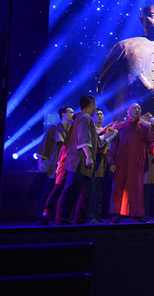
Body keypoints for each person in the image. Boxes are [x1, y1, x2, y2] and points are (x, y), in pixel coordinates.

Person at [109, 103, 154, 223]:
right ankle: (117, 214)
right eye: (134, 108)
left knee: (136, 188)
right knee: (118, 187)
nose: (137, 110)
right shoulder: (120, 126)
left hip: (137, 162)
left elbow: (151, 141)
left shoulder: (145, 126)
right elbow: (113, 145)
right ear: (128, 111)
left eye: (139, 108)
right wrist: (112, 162)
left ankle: (138, 214)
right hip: (120, 161)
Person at [56, 94, 99, 225]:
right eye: (95, 104)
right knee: (71, 190)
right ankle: (62, 219)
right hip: (79, 160)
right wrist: (89, 157)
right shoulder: (85, 117)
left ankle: (79, 220)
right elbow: (83, 138)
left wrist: (108, 136)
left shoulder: (79, 117)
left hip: (78, 160)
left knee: (87, 191)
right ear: (92, 105)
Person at [35, 106, 73, 224]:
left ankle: (63, 218)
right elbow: (45, 145)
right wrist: (40, 162)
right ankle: (42, 217)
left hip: (69, 164)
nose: (73, 114)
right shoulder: (53, 129)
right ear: (63, 114)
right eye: (70, 112)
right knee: (49, 190)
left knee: (67, 192)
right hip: (55, 164)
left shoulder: (73, 129)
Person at [87, 107, 118, 223]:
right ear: (92, 117)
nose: (100, 116)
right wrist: (111, 136)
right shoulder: (92, 130)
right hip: (95, 160)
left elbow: (108, 148)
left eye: (101, 114)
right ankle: (90, 216)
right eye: (97, 114)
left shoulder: (105, 130)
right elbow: (99, 145)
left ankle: (97, 216)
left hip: (104, 161)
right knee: (93, 190)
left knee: (100, 190)